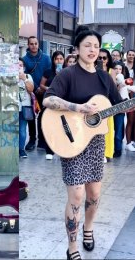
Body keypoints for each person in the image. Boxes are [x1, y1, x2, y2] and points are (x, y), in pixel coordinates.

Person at [42, 25, 123, 260]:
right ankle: (72, 245)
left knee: (94, 194)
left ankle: (89, 229)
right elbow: (48, 99)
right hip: (70, 141)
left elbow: (117, 105)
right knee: (76, 196)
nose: (92, 50)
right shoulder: (67, 74)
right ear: (77, 49)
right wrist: (78, 108)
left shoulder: (104, 77)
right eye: (87, 45)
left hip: (95, 142)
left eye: (96, 46)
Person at [22, 36, 51, 151]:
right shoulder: (24, 59)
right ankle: (32, 139)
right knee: (30, 117)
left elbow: (48, 74)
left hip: (43, 91)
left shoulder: (46, 58)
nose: (34, 46)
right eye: (31, 44)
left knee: (43, 116)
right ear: (28, 45)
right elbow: (25, 76)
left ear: (38, 44)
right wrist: (34, 88)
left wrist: (42, 88)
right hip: (30, 92)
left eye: (35, 43)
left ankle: (42, 140)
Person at [39, 50, 65, 160]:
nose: (58, 61)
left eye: (61, 59)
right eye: (56, 59)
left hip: (63, 103)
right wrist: (48, 88)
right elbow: (41, 85)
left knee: (62, 126)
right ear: (53, 60)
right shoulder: (48, 71)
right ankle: (49, 150)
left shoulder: (67, 72)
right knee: (48, 124)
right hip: (49, 101)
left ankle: (62, 148)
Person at [97, 48, 115, 163]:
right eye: (100, 58)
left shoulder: (111, 71)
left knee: (107, 130)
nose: (102, 60)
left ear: (108, 60)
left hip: (107, 103)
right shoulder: (92, 70)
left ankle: (106, 153)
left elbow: (112, 89)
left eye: (104, 58)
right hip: (94, 103)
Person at [18, 58, 34, 158]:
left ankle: (21, 149)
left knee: (22, 131)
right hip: (11, 107)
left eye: (20, 65)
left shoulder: (28, 76)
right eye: (16, 65)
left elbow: (31, 89)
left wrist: (24, 79)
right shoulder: (9, 76)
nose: (18, 67)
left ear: (23, 67)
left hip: (24, 107)